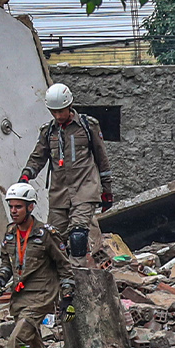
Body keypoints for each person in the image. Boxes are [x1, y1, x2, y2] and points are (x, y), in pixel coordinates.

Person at [19, 83, 113, 261]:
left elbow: (102, 159)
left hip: (85, 189)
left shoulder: (87, 126)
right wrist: (25, 176)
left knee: (78, 236)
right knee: (53, 241)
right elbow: (38, 157)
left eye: (61, 111)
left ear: (69, 106)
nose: (57, 116)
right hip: (59, 194)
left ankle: (79, 279)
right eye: (53, 112)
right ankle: (59, 283)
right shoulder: (48, 132)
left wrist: (107, 191)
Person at [0, 182, 74, 348]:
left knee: (16, 340)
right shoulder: (10, 233)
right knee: (31, 341)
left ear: (30, 207)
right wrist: (1, 278)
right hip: (20, 297)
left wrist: (68, 298)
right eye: (11, 206)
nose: (13, 211)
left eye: (18, 206)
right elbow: (7, 261)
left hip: (41, 296)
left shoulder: (46, 233)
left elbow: (64, 265)